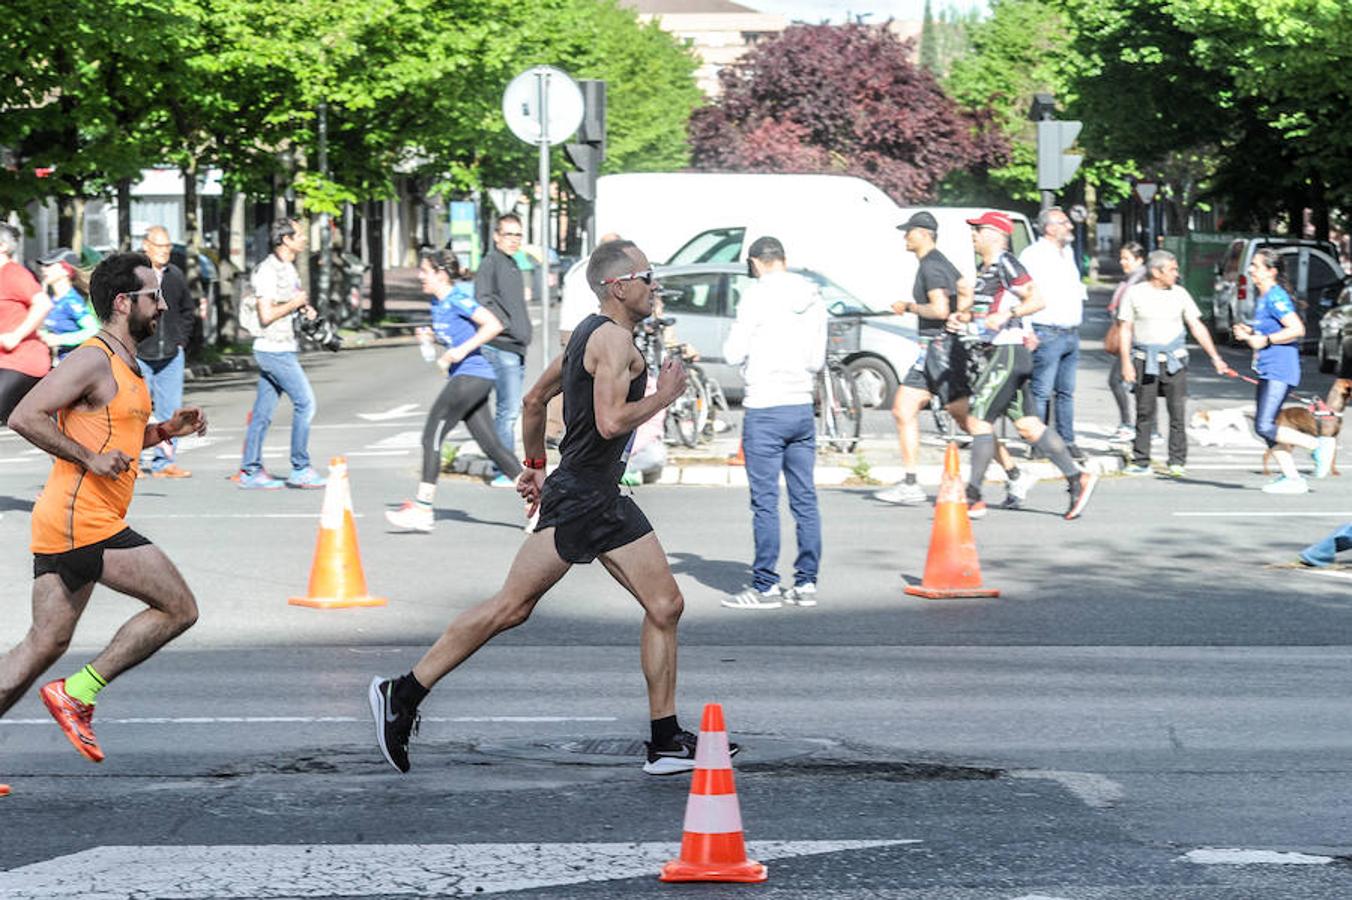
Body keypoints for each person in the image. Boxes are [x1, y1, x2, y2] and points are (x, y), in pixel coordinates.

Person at [368, 240, 727, 777]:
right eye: (647, 276)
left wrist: (533, 464)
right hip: (585, 495)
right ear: (618, 286)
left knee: (664, 604)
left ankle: (665, 738)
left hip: (594, 491)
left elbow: (536, 399)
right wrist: (665, 395)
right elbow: (609, 422)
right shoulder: (610, 341)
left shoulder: (587, 331)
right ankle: (403, 692)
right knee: (510, 607)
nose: (655, 286)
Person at [0, 251, 205, 771]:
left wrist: (165, 432)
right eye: (152, 295)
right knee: (178, 607)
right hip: (82, 520)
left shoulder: (126, 365)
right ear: (122, 302)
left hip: (72, 520)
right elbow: (25, 416)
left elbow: (118, 438)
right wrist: (89, 458)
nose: (161, 305)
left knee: (42, 645)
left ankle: (71, 691)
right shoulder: (93, 358)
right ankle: (78, 693)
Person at [875, 212, 1036, 509]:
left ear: (923, 233)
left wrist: (908, 306)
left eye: (908, 232)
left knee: (970, 421)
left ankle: (1013, 473)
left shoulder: (932, 267)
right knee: (903, 409)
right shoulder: (937, 263)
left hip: (943, 352)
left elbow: (938, 310)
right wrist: (962, 311)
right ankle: (910, 483)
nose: (904, 237)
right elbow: (963, 285)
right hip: (933, 352)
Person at [961, 212, 1097, 520]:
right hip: (999, 351)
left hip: (1006, 352)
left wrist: (1008, 316)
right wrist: (965, 318)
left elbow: (1037, 300)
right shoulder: (984, 270)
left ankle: (973, 496)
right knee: (1028, 426)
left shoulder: (1006, 263)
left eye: (977, 230)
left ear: (995, 234)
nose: (972, 236)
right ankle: (1077, 479)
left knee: (978, 421)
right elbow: (988, 309)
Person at [718, 236, 825, 610]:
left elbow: (733, 352)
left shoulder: (756, 295)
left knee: (765, 502)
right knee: (804, 498)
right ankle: (806, 583)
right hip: (800, 405)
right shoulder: (812, 295)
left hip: (764, 406)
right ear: (782, 258)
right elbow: (816, 359)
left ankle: (765, 587)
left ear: (755, 262)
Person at [386, 249, 523, 533]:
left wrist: (457, 352)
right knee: (493, 447)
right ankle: (544, 503)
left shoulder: (456, 298)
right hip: (471, 377)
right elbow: (456, 333)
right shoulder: (436, 303)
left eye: (425, 271)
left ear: (441, 273)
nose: (420, 276)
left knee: (430, 436)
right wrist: (432, 338)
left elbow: (494, 324)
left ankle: (423, 509)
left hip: (470, 376)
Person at [1233, 248, 1336, 493]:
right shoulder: (1264, 297)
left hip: (1281, 369)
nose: (1251, 270)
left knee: (1264, 425)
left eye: (1256, 266)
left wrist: (1265, 340)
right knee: (1268, 429)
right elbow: (1267, 333)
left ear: (1271, 272)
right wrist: (1250, 333)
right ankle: (1292, 478)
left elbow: (1297, 329)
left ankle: (1317, 445)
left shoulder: (1275, 296)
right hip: (1269, 369)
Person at [1117, 250, 1228, 476]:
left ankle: (1177, 460)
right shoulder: (1135, 293)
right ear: (1157, 272)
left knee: (1177, 412)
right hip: (1144, 360)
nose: (1176, 274)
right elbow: (1125, 329)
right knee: (1144, 411)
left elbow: (1196, 326)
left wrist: (1215, 357)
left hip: (1174, 361)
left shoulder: (1180, 294)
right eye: (1172, 270)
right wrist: (1126, 363)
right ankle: (1141, 460)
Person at [237, 218, 326, 490]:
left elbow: (292, 303)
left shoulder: (289, 268)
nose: (304, 239)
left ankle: (250, 470)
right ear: (285, 240)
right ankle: (300, 467)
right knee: (306, 403)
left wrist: (304, 310)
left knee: (262, 412)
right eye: (299, 234)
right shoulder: (267, 271)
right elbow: (266, 315)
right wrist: (294, 303)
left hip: (283, 346)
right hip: (273, 349)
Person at [1020, 207, 1088, 459]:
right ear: (1049, 228)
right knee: (1041, 390)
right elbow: (1025, 293)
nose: (1070, 226)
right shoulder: (1034, 255)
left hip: (1070, 332)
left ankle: (1066, 442)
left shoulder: (1067, 253)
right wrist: (1027, 329)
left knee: (1066, 392)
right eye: (1064, 222)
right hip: (1046, 330)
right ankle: (1039, 443)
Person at [135, 226, 198, 478]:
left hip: (171, 354)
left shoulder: (175, 275)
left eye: (168, 247)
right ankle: (132, 462)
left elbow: (187, 310)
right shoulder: (135, 276)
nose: (165, 252)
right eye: (160, 246)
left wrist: (180, 340)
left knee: (171, 411)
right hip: (140, 354)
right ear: (146, 245)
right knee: (135, 411)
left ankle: (164, 462)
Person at [475, 214, 533, 481]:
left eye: (518, 235)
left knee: (510, 410)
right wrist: (507, 325)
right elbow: (483, 299)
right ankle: (504, 470)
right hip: (502, 345)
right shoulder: (491, 263)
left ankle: (505, 468)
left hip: (516, 346)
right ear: (496, 236)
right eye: (508, 234)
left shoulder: (511, 264)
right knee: (507, 412)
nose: (513, 240)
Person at [550, 232, 622, 445]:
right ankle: (573, 429)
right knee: (584, 380)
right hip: (586, 328)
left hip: (569, 326)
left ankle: (553, 428)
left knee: (567, 377)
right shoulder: (603, 271)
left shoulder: (580, 266)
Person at [0, 223, 52, 425]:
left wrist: (16, 336)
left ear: (2, 246)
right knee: (47, 434)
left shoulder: (13, 273)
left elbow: (43, 303)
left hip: (20, 362)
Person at [1106, 242, 1147, 441]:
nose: (1122, 262)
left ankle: (1128, 424)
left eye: (1127, 259)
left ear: (1139, 260)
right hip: (1129, 336)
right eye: (1121, 258)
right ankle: (1147, 428)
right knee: (1140, 385)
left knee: (1118, 381)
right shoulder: (1130, 280)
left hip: (1134, 338)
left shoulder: (1140, 281)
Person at [37, 247, 99, 362]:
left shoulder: (72, 301)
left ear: (66, 270)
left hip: (75, 366)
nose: (43, 269)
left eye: (49, 265)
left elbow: (93, 330)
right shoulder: (52, 300)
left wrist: (59, 339)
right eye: (43, 266)